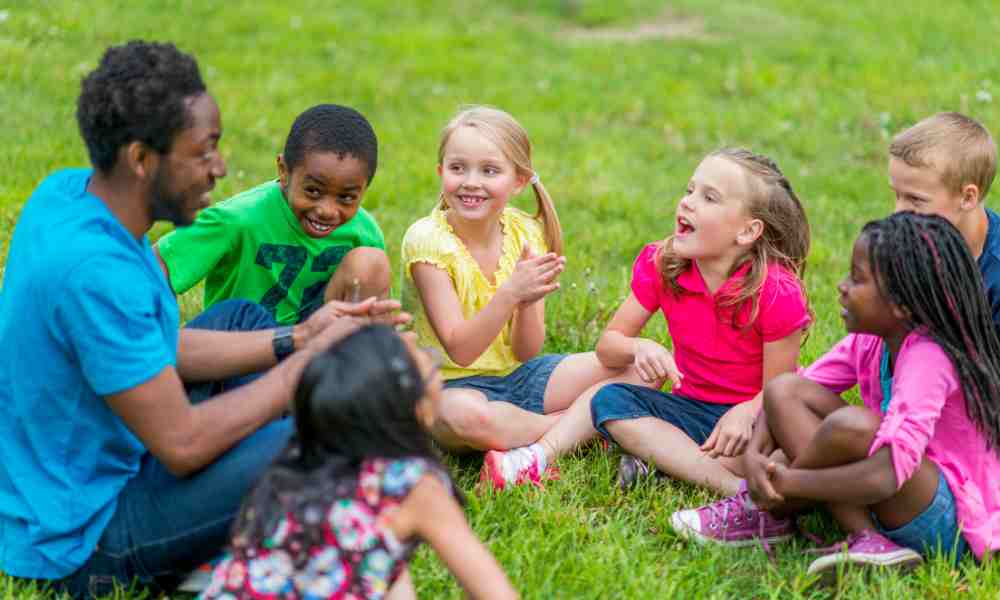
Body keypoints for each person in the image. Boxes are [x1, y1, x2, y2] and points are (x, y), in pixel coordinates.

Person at [0, 41, 404, 598]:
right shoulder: (96, 276)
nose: (219, 168)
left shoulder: (72, 195)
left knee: (244, 318)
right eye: (202, 152)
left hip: (94, 453)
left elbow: (158, 345)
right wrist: (307, 364)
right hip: (82, 537)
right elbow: (182, 444)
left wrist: (301, 334)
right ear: (142, 159)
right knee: (321, 435)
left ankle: (260, 491)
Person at [672, 212, 1000, 576]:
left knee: (852, 426)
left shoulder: (929, 356)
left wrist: (791, 483)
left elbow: (889, 474)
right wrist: (754, 458)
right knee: (785, 389)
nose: (842, 286)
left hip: (946, 520)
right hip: (899, 497)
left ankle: (767, 510)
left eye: (857, 279)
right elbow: (782, 398)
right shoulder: (870, 342)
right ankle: (867, 539)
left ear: (902, 305)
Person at [200, 325, 519, 600]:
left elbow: (381, 567)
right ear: (416, 409)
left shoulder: (291, 468)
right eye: (434, 370)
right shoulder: (412, 485)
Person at [400, 106, 623, 483]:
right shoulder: (427, 242)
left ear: (518, 181)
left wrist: (528, 299)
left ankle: (545, 437)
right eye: (458, 168)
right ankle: (577, 430)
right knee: (464, 419)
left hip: (518, 377)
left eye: (489, 170)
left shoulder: (525, 233)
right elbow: (461, 349)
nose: (471, 182)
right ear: (441, 173)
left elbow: (526, 352)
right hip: (452, 386)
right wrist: (510, 294)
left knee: (637, 369)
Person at [581, 148, 812, 494]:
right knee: (609, 402)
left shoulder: (777, 292)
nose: (688, 202)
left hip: (754, 420)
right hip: (689, 409)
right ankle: (733, 488)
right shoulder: (664, 264)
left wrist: (746, 413)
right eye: (690, 190)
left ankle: (665, 462)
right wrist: (638, 346)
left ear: (748, 231)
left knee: (787, 448)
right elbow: (608, 347)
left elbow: (778, 390)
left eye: (709, 197)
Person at [155, 103, 390, 324]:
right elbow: (156, 264)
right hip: (239, 344)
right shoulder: (239, 219)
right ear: (284, 170)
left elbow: (378, 314)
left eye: (346, 197)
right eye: (313, 191)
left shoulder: (363, 233)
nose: (326, 210)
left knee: (371, 262)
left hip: (311, 348)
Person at [888, 112, 1000, 328]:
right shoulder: (909, 245)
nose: (898, 212)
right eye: (897, 195)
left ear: (968, 197)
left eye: (915, 199)